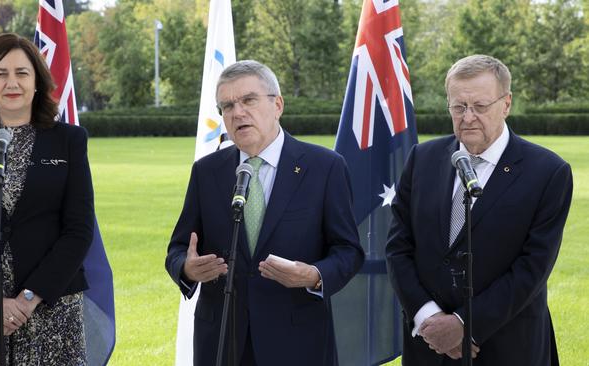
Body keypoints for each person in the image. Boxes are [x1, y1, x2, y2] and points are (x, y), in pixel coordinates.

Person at [165, 60, 364, 366]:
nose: (237, 112)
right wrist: (187, 269)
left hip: (297, 341)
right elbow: (179, 248)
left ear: (277, 105)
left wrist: (314, 276)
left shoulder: (325, 167)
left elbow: (348, 251)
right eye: (227, 106)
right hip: (222, 340)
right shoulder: (208, 171)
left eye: (248, 100)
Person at [385, 54, 573, 365]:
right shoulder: (422, 159)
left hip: (508, 346)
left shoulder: (548, 172)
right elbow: (398, 247)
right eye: (458, 107)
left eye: (480, 107)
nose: (468, 117)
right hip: (429, 346)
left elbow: (533, 268)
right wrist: (429, 318)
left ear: (507, 104)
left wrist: (463, 325)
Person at [0, 33, 94, 365]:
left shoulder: (70, 140)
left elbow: (78, 230)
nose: (12, 82)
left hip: (51, 308)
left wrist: (27, 299)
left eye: (22, 73)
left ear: (37, 81)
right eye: (0, 73)